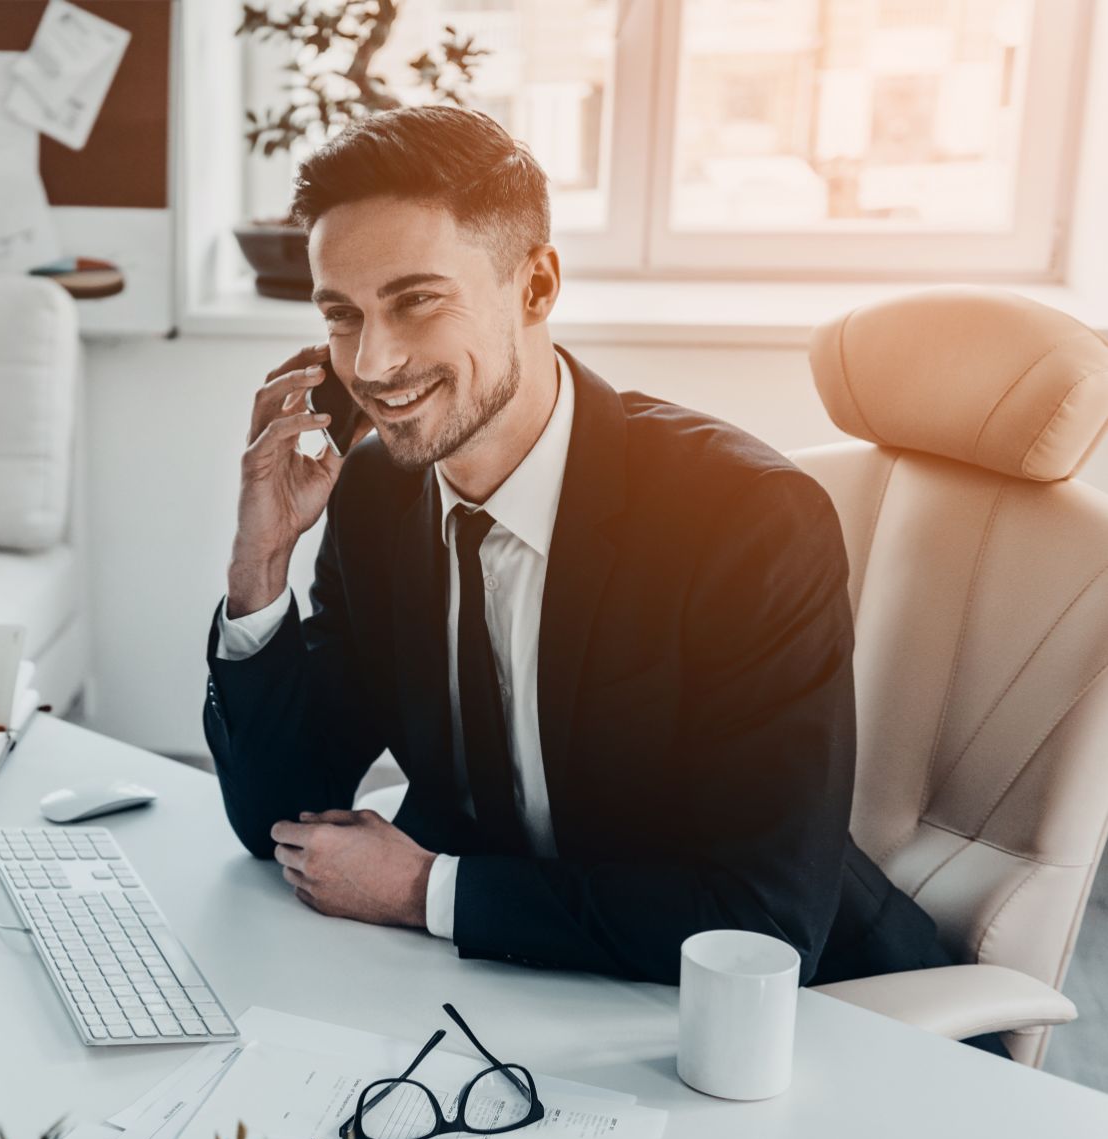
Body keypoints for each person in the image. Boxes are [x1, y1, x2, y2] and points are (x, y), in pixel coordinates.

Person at [202, 105, 950, 988]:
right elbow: (281, 821)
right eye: (342, 315)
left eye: (415, 301)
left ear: (536, 286)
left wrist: (426, 890)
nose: (370, 363)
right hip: (520, 990)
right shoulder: (376, 496)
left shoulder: (745, 521)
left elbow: (762, 922)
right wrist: (259, 567)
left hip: (798, 1014)